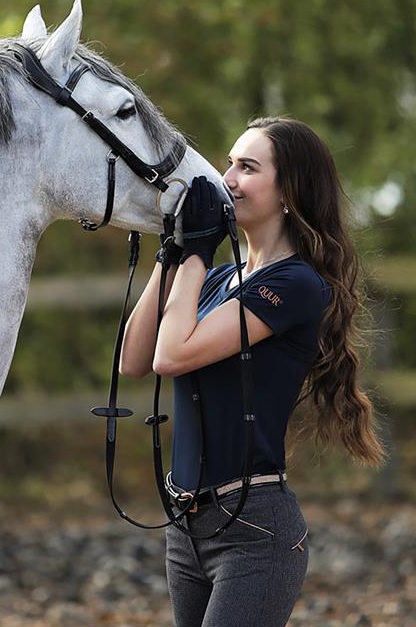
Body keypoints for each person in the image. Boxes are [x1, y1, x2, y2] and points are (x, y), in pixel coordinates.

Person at [120, 117, 387, 627]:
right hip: (186, 526)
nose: (228, 179)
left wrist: (197, 252)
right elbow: (134, 359)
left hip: (254, 533)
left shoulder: (297, 284)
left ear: (289, 191)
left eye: (248, 167)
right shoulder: (220, 278)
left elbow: (170, 356)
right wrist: (173, 252)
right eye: (229, 164)